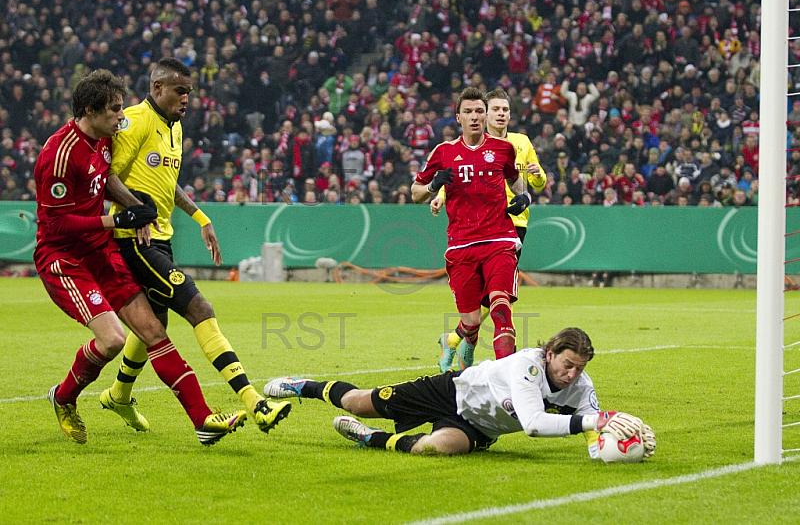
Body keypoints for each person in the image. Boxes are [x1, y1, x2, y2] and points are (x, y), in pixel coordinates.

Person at [36, 69, 246, 446]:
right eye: (115, 110)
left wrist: (134, 206)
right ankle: (64, 395)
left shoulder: (105, 139)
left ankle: (202, 420)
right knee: (115, 340)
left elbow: (106, 179)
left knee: (152, 331)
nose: (122, 116)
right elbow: (55, 225)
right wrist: (114, 219)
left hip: (100, 250)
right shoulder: (58, 153)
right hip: (64, 258)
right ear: (90, 109)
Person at [102, 58, 291, 435]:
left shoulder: (175, 127)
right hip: (134, 240)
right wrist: (136, 210)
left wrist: (200, 217)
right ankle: (255, 402)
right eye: (179, 91)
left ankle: (118, 395)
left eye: (189, 92)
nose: (187, 99)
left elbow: (167, 182)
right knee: (199, 306)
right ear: (157, 89)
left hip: (162, 237)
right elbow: (107, 175)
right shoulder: (136, 120)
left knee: (154, 324)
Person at [263, 327, 656, 457]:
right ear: (550, 353)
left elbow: (590, 429)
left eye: (579, 368)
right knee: (359, 402)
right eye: (567, 365)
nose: (571, 375)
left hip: (480, 429)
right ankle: (305, 386)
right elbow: (534, 426)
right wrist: (598, 420)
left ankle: (373, 439)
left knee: (432, 448)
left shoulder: (580, 389)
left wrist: (610, 447)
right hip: (450, 392)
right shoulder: (527, 364)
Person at [411, 87, 533, 373]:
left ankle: (509, 382)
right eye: (468, 112)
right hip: (461, 246)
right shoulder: (443, 152)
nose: (475, 117)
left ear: (486, 114)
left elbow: (516, 182)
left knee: (501, 308)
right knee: (471, 320)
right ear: (458, 117)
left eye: (480, 111)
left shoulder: (503, 149)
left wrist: (524, 196)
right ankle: (453, 341)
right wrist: (432, 186)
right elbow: (415, 192)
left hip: (499, 240)